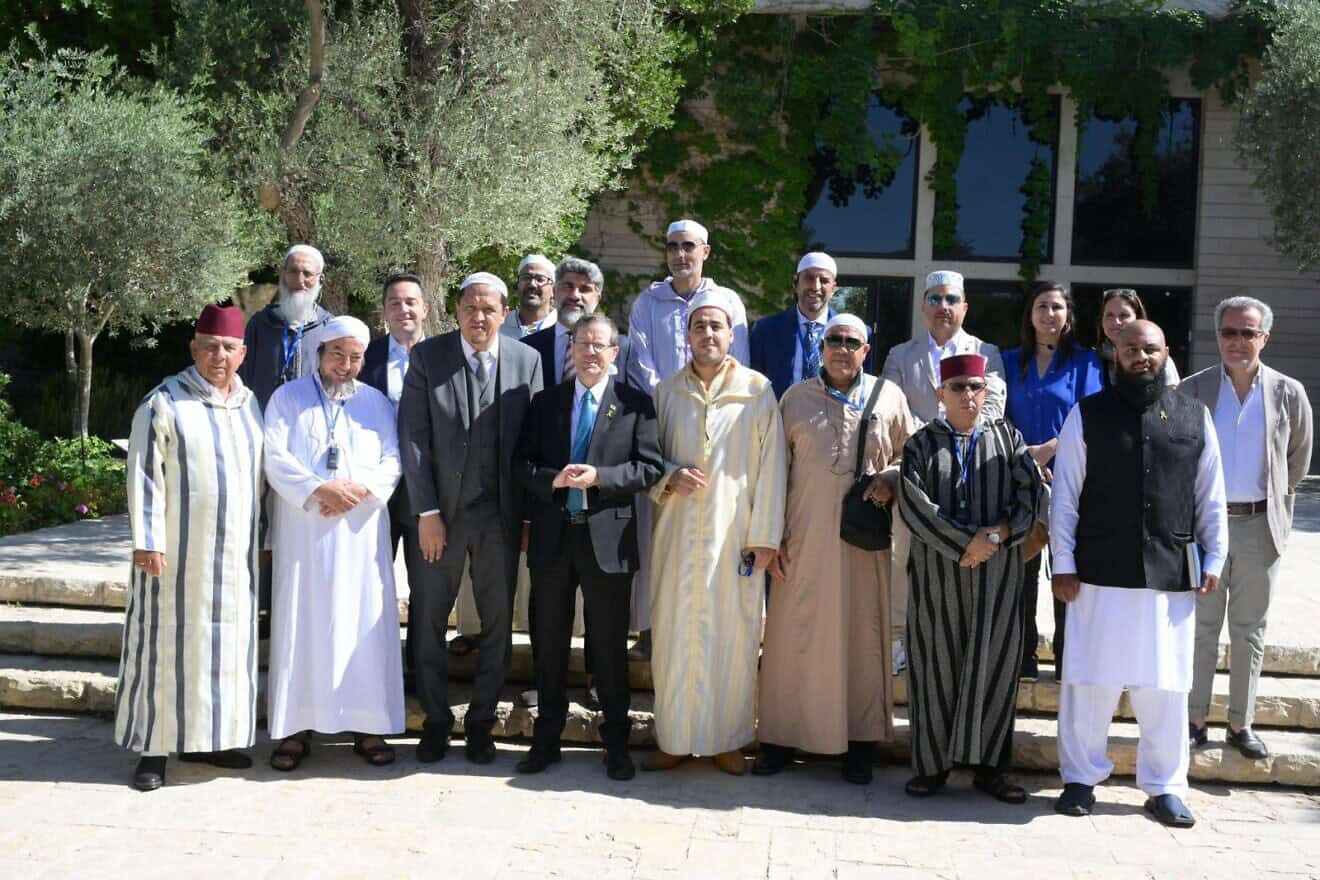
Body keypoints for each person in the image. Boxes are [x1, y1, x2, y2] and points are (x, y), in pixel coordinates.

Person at [1051, 320, 1227, 828]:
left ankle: (1166, 786)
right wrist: (1063, 563)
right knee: (1089, 682)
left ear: (1165, 352)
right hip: (1097, 573)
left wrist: (1214, 559)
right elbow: (1065, 497)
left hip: (1170, 575)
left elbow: (1209, 496)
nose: (1141, 357)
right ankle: (1080, 778)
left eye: (1150, 349)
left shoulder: (1196, 417)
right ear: (1114, 354)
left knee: (1166, 688)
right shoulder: (1087, 415)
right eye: (1131, 349)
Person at [757, 314, 911, 785]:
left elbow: (913, 453)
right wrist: (769, 537)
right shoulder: (795, 399)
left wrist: (891, 476)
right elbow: (771, 472)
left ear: (867, 350)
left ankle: (860, 743)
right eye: (833, 341)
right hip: (801, 542)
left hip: (861, 543)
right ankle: (780, 739)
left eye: (852, 342)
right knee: (791, 639)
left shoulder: (889, 398)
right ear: (821, 347)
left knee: (861, 638)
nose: (842, 348)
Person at [116, 305, 264, 792]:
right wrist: (148, 543)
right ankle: (153, 750)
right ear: (193, 348)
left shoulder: (250, 404)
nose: (219, 356)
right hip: (176, 557)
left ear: (242, 353)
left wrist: (265, 541)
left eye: (228, 348)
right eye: (209, 347)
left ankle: (211, 739)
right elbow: (143, 475)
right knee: (165, 648)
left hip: (234, 557)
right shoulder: (163, 402)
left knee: (221, 648)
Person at [398, 272, 544, 765]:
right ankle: (437, 721)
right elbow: (414, 440)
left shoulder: (528, 360)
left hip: (500, 519)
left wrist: (527, 517)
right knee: (428, 619)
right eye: (470, 308)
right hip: (441, 518)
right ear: (456, 312)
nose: (479, 318)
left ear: (505, 314)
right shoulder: (427, 358)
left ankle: (482, 722)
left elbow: (535, 444)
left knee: (499, 622)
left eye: (489, 310)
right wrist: (428, 513)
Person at [642, 288, 786, 775]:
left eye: (716, 327)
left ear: (730, 335)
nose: (707, 334)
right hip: (677, 535)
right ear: (687, 336)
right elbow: (645, 459)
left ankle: (728, 738)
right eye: (698, 327)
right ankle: (676, 737)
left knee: (734, 636)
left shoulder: (757, 391)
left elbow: (773, 468)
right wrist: (668, 477)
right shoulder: (666, 392)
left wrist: (764, 538)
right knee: (675, 635)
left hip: (734, 537)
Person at [515, 314, 663, 780]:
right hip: (554, 538)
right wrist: (549, 481)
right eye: (583, 344)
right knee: (550, 642)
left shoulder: (635, 404)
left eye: (601, 346)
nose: (591, 353)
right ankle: (547, 738)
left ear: (615, 354)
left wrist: (602, 478)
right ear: (571, 350)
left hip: (607, 540)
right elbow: (520, 464)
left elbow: (649, 468)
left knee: (608, 648)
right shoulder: (545, 403)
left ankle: (615, 741)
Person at [897, 353, 1041, 803]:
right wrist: (965, 543)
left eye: (975, 387)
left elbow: (1029, 497)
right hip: (937, 576)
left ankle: (990, 768)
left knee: (995, 667)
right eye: (957, 387)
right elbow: (914, 504)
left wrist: (996, 535)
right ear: (941, 394)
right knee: (935, 665)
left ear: (986, 391)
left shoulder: (1009, 438)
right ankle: (932, 767)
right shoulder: (921, 444)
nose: (967, 395)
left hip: (998, 577)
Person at [263, 315, 405, 771]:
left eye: (355, 357)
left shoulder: (377, 403)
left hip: (359, 535)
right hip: (305, 534)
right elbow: (274, 456)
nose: (345, 365)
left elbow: (392, 459)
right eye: (337, 355)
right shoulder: (288, 398)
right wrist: (318, 490)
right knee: (302, 624)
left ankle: (367, 724)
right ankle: (294, 727)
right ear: (319, 354)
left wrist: (356, 491)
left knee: (360, 623)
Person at [1179, 296, 1312, 760]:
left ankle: (1242, 722)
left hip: (1260, 526)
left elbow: (1297, 459)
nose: (1238, 341)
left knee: (1249, 629)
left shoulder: (1289, 393)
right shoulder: (1192, 390)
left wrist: (1273, 502)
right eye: (1229, 332)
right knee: (1201, 628)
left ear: (1264, 338)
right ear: (1218, 336)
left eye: (1248, 333)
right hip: (1206, 527)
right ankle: (1195, 720)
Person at [625, 219, 752, 659]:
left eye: (689, 247)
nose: (681, 255)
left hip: (716, 423)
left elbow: (741, 363)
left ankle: (709, 623)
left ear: (706, 252)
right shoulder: (648, 302)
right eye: (673, 247)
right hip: (661, 420)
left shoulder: (726, 302)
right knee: (655, 528)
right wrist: (675, 398)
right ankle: (649, 626)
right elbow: (639, 365)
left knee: (714, 525)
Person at [518, 255, 632, 706]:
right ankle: (544, 689)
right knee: (547, 612)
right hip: (545, 504)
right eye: (566, 285)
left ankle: (596, 680)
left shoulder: (614, 352)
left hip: (602, 511)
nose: (574, 294)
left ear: (597, 297)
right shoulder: (532, 346)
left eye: (584, 288)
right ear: (553, 290)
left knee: (603, 615)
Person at [881, 270, 1007, 676]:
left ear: (964, 307)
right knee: (904, 555)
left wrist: (952, 437)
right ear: (923, 307)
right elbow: (891, 410)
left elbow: (991, 409)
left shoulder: (986, 351)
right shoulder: (900, 355)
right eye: (934, 299)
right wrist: (933, 441)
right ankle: (900, 639)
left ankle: (963, 642)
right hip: (915, 470)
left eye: (951, 299)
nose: (942, 307)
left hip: (971, 471)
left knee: (963, 554)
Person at [1001, 282, 1104, 681]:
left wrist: (1050, 450)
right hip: (1018, 478)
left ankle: (1067, 659)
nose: (1049, 314)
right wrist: (1025, 454)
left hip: (1072, 478)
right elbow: (996, 415)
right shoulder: (1009, 362)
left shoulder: (1087, 363)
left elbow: (1091, 414)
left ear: (1068, 315)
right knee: (1023, 569)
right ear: (1030, 314)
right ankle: (1023, 657)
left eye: (1057, 307)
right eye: (1041, 306)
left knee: (1066, 566)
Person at [360, 273, 430, 686]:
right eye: (394, 303)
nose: (403, 309)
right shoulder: (363, 358)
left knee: (427, 590)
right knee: (370, 584)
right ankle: (372, 673)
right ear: (384, 311)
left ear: (423, 308)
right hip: (374, 495)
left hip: (427, 497)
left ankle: (420, 676)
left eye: (410, 302)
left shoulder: (443, 356)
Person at [239, 244, 336, 412]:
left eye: (307, 273)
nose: (299, 281)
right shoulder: (260, 324)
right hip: (266, 425)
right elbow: (243, 380)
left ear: (320, 279)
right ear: (283, 275)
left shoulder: (330, 328)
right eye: (293, 271)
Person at [749, 251, 838, 399]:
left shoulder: (852, 333)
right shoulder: (766, 330)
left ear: (833, 289)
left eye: (823, 280)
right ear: (795, 284)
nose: (815, 286)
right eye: (809, 278)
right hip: (780, 418)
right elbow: (753, 382)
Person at [1095, 288, 1180, 387]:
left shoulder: (1157, 359)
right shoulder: (1091, 360)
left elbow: (1171, 397)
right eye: (1109, 315)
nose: (1116, 322)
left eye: (1124, 315)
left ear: (1137, 318)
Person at [501, 254, 558, 338]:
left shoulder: (562, 328)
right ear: (518, 284)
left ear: (553, 290)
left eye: (540, 279)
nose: (532, 284)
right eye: (526, 278)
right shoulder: (499, 326)